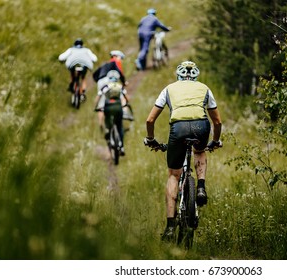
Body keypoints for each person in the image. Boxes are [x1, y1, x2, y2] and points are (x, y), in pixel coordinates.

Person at [144, 61, 222, 240]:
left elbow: (150, 120)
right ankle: (201, 187)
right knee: (200, 150)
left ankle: (170, 227)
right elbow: (217, 122)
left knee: (173, 175)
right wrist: (215, 141)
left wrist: (151, 139)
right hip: (201, 126)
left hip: (178, 129)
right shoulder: (205, 89)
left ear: (178, 75)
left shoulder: (168, 89)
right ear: (196, 75)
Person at [94, 70, 128, 156]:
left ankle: (108, 133)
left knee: (108, 123)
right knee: (120, 126)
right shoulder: (120, 86)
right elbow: (126, 98)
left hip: (108, 107)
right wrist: (125, 105)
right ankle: (121, 146)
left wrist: (96, 106)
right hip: (118, 107)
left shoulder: (106, 86)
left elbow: (98, 97)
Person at [93, 50, 127, 131]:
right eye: (121, 58)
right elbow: (120, 73)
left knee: (101, 104)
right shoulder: (115, 62)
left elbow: (95, 75)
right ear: (115, 56)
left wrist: (99, 81)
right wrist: (124, 82)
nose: (121, 60)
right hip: (109, 80)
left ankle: (101, 125)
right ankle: (119, 116)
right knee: (115, 97)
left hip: (100, 81)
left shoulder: (105, 64)